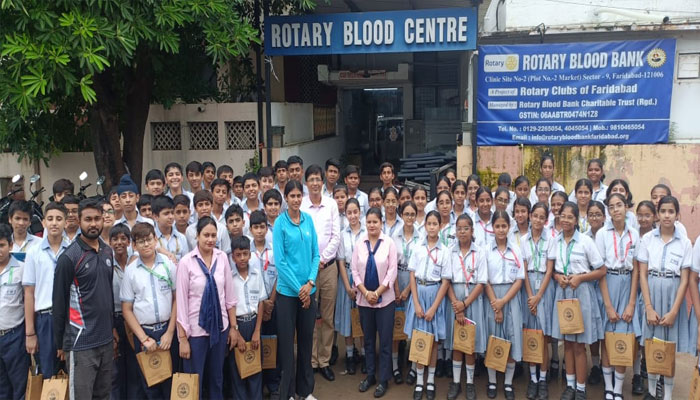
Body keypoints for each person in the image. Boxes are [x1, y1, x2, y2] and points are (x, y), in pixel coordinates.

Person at [53, 199, 115, 400]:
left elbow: (108, 293)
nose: (93, 224)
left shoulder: (107, 251)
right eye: (88, 219)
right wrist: (61, 343)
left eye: (97, 218)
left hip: (105, 340)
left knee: (103, 395)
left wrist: (112, 328)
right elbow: (59, 303)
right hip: (81, 342)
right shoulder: (69, 258)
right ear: (79, 221)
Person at [176, 217, 240, 399]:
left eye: (213, 235)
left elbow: (229, 296)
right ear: (197, 236)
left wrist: (233, 328)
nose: (210, 239)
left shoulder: (222, 258)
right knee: (194, 381)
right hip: (195, 332)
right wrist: (183, 339)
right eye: (206, 235)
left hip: (220, 329)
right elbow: (181, 303)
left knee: (216, 379)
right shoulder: (186, 262)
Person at [548, 202, 606, 400]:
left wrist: (580, 278)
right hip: (563, 293)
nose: (565, 220)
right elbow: (553, 270)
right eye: (562, 216)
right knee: (567, 343)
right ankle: (570, 385)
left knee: (580, 344)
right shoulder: (555, 241)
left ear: (576, 220)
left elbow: (601, 270)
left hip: (581, 293)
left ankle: (581, 388)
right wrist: (558, 277)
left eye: (570, 217)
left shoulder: (585, 242)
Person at [637, 196, 691, 400]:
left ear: (677, 215)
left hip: (672, 295)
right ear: (657, 215)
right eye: (663, 211)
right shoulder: (647, 239)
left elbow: (684, 280)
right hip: (652, 292)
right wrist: (649, 307)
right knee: (652, 344)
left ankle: (667, 395)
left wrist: (674, 311)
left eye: (671, 211)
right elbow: (642, 274)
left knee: (668, 347)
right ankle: (651, 392)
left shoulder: (684, 242)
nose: (667, 215)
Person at [273, 180, 320, 400]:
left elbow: (316, 255)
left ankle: (306, 390)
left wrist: (310, 283)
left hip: (308, 291)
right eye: (291, 196)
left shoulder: (308, 220)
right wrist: (300, 290)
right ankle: (288, 393)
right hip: (287, 295)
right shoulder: (280, 224)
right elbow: (280, 262)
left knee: (306, 342)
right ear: (286, 198)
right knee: (286, 346)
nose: (296, 199)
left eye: (298, 195)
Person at [121, 223, 178, 399]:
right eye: (141, 241)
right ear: (134, 245)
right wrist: (143, 338)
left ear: (155, 240)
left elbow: (177, 299)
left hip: (168, 331)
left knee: (171, 384)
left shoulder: (168, 265)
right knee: (150, 386)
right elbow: (127, 309)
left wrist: (170, 332)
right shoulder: (130, 271)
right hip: (145, 334)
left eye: (149, 239)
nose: (146, 244)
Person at [597, 193, 640, 400]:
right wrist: (608, 305)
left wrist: (631, 303)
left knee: (623, 336)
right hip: (608, 283)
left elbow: (636, 270)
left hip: (627, 283)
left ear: (626, 207)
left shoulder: (634, 234)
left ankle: (618, 389)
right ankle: (608, 387)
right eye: (612, 206)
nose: (616, 209)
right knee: (608, 337)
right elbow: (600, 270)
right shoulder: (602, 234)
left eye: (619, 205)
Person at [351, 207, 398, 398]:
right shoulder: (359, 244)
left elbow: (392, 271)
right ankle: (370, 375)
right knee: (368, 340)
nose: (372, 225)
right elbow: (354, 270)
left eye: (375, 222)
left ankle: (384, 379)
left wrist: (377, 292)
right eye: (369, 222)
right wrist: (366, 293)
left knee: (385, 341)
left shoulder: (389, 243)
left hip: (385, 301)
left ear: (381, 223)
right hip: (364, 301)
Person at [404, 211, 450, 400]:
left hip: (434, 296)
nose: (431, 227)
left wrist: (433, 308)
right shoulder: (418, 248)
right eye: (429, 223)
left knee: (433, 342)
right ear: (424, 226)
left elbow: (445, 282)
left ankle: (430, 380)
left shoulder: (445, 251)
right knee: (419, 340)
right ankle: (419, 381)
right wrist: (415, 303)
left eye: (435, 224)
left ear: (440, 226)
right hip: (419, 295)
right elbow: (412, 276)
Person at [301, 165, 341, 382]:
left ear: (323, 182)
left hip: (328, 267)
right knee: (308, 316)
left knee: (327, 316)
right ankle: (311, 360)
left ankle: (324, 360)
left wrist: (322, 259)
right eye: (311, 180)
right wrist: (313, 263)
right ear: (306, 183)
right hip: (306, 270)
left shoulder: (331, 204)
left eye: (318, 179)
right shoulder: (301, 205)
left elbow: (336, 236)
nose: (315, 183)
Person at [444, 214, 487, 400]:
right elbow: (446, 280)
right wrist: (457, 306)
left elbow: (481, 282)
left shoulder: (480, 252)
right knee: (457, 343)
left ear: (472, 230)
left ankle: (469, 383)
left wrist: (464, 304)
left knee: (469, 344)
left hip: (472, 301)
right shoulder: (450, 252)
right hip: (454, 300)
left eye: (466, 228)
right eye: (459, 229)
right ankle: (456, 382)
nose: (462, 232)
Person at [23, 202, 68, 377]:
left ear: (66, 222)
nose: (54, 223)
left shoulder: (73, 249)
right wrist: (30, 333)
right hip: (45, 318)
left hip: (69, 317)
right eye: (50, 219)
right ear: (43, 222)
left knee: (72, 371)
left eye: (59, 219)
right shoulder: (34, 253)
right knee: (48, 373)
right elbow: (29, 293)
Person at [484, 210, 524, 400]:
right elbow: (484, 280)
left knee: (511, 337)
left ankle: (508, 383)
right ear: (492, 228)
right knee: (493, 338)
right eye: (497, 226)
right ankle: (492, 381)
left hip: (511, 297)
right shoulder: (486, 250)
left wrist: (504, 301)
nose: (501, 230)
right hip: (492, 297)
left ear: (509, 227)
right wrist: (496, 304)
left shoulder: (516, 249)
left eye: (504, 226)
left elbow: (519, 279)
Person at [521, 202, 555, 400]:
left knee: (542, 334)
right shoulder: (523, 240)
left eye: (542, 217)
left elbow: (550, 270)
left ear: (546, 220)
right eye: (535, 216)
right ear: (530, 216)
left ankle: (542, 378)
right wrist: (530, 296)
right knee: (530, 334)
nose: (538, 220)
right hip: (528, 289)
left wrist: (539, 296)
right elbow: (524, 270)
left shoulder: (550, 239)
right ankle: (532, 379)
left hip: (544, 287)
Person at [228, 235, 265, 400]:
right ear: (233, 257)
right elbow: (229, 306)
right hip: (237, 325)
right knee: (237, 370)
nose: (242, 258)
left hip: (254, 323)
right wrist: (236, 333)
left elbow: (261, 303)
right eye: (238, 255)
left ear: (250, 254)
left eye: (245, 254)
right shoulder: (229, 278)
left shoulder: (257, 274)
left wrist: (257, 331)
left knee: (255, 367)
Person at [249, 210, 281, 398]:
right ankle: (257, 385)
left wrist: (270, 302)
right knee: (256, 344)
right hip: (254, 307)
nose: (259, 231)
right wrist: (262, 304)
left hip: (272, 303)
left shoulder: (274, 251)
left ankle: (273, 384)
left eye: (262, 227)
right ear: (250, 230)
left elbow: (279, 276)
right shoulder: (247, 252)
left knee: (272, 343)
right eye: (256, 227)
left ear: (267, 229)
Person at [109, 223, 141, 400]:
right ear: (110, 242)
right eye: (115, 239)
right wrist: (111, 327)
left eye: (123, 238)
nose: (119, 242)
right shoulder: (106, 264)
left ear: (129, 242)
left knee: (135, 367)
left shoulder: (136, 262)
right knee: (115, 370)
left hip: (134, 320)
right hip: (115, 319)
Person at [392, 201, 421, 384]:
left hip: (414, 283)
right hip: (397, 279)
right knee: (396, 326)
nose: (409, 217)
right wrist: (397, 290)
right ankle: (395, 367)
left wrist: (408, 290)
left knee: (415, 327)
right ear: (401, 215)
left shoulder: (421, 237)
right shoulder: (394, 236)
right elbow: (391, 265)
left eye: (412, 214)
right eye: (406, 214)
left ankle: (414, 368)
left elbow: (419, 267)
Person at [335, 198, 365, 376]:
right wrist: (347, 286)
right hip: (346, 276)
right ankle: (350, 355)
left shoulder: (367, 231)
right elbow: (340, 261)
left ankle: (364, 354)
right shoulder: (342, 234)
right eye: (349, 213)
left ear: (360, 212)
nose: (353, 216)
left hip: (364, 279)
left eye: (355, 212)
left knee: (362, 318)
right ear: (345, 214)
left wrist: (361, 286)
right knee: (348, 318)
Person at [0, 224, 29, 400]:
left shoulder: (21, 268)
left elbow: (28, 300)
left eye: (1, 245)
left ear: (10, 245)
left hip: (14, 336)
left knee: (19, 385)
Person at [152, 195, 189, 262]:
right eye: (166, 214)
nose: (171, 217)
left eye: (172, 213)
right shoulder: (150, 238)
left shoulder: (181, 238)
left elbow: (186, 263)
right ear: (155, 217)